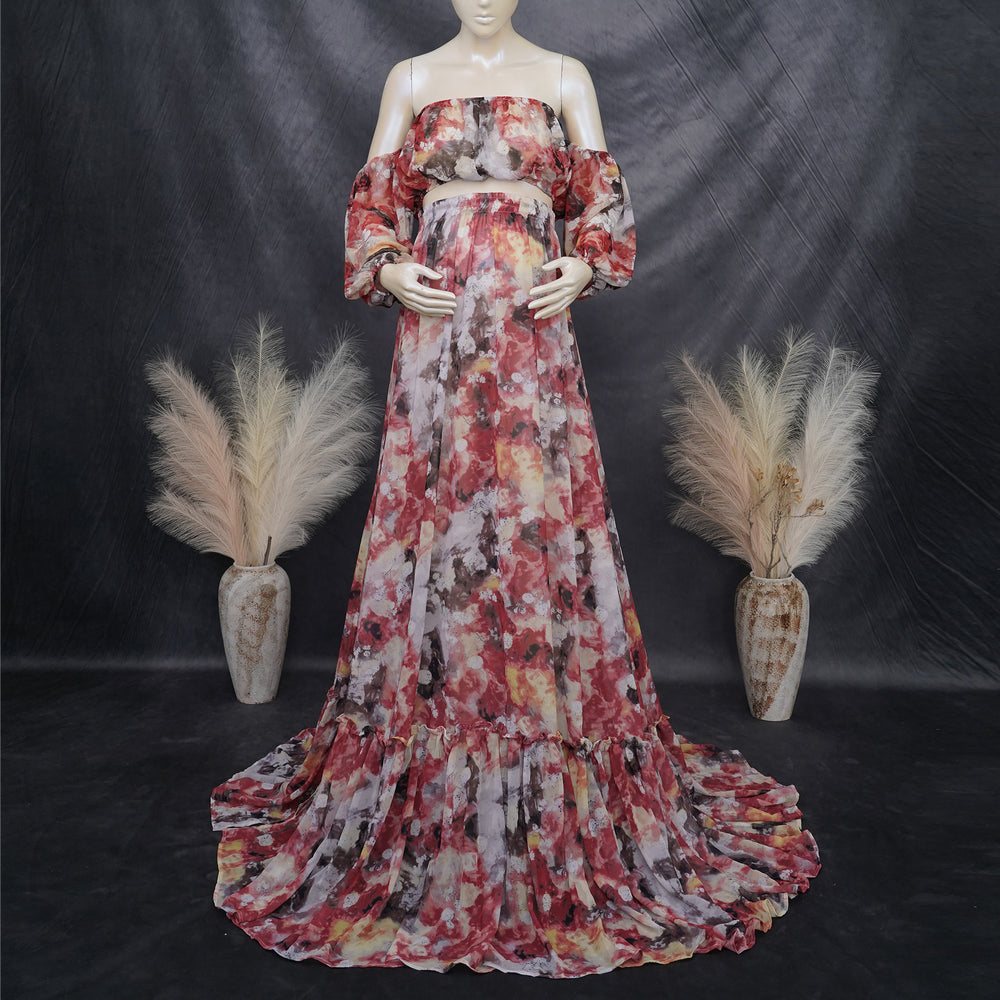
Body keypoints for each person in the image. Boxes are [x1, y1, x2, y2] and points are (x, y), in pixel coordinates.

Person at [211, 1, 819, 977]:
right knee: (436, 535)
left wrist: (583, 260)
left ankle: (549, 759)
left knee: (539, 536)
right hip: (437, 351)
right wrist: (389, 267)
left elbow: (603, 205)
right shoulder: (412, 80)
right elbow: (370, 207)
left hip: (536, 357)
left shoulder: (565, 76)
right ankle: (430, 770)